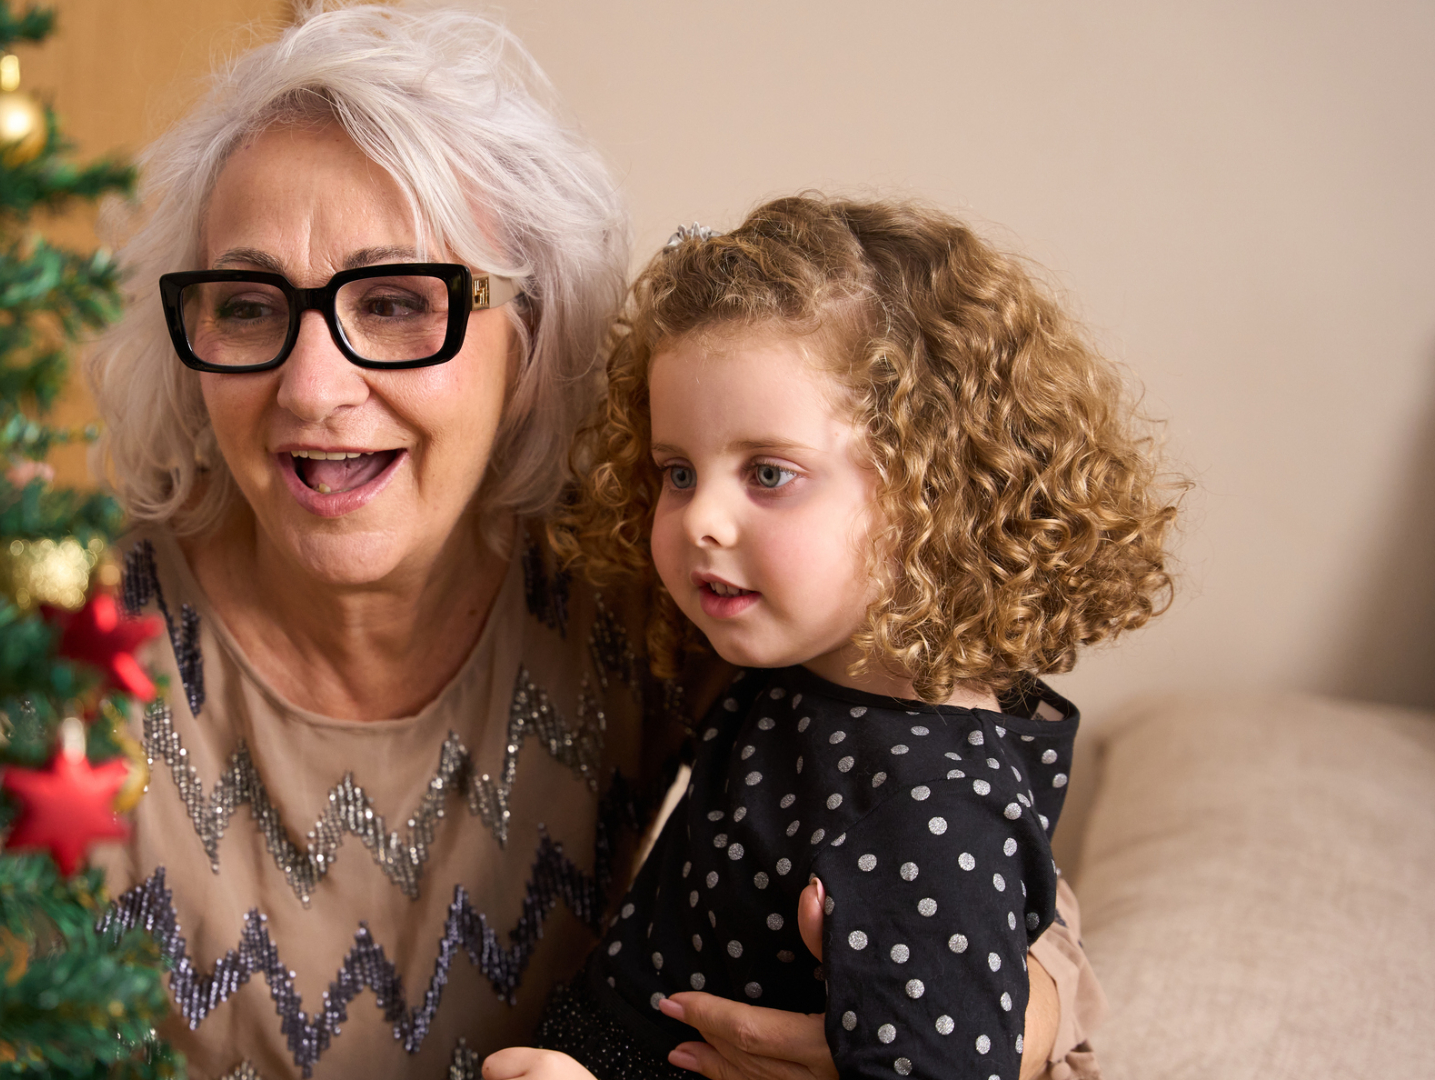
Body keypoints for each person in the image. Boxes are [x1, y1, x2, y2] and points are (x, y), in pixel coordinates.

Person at [84, 8, 1100, 1078]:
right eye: (246, 307)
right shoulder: (61, 633)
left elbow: (993, 866)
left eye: (393, 302)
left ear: (528, 333)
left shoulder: (642, 588)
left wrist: (964, 1037)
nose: (311, 387)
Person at [483, 195, 1177, 1080]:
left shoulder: (925, 806)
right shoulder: (798, 660)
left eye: (769, 474)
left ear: (935, 489)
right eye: (678, 472)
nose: (701, 518)